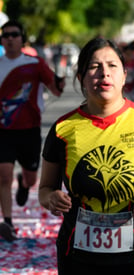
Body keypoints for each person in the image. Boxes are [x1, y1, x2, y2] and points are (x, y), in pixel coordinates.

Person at [38, 37, 134, 274]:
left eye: (112, 66)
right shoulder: (63, 128)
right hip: (77, 256)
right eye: (95, 67)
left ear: (124, 75)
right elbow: (45, 188)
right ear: (81, 78)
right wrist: (50, 198)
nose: (104, 73)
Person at [0, 20, 64, 242]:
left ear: (22, 38)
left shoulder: (35, 63)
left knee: (29, 178)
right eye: (5, 35)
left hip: (29, 130)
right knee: (3, 175)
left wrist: (61, 81)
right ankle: (7, 222)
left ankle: (24, 182)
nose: (9, 38)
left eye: (14, 34)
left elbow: (55, 90)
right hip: (3, 130)